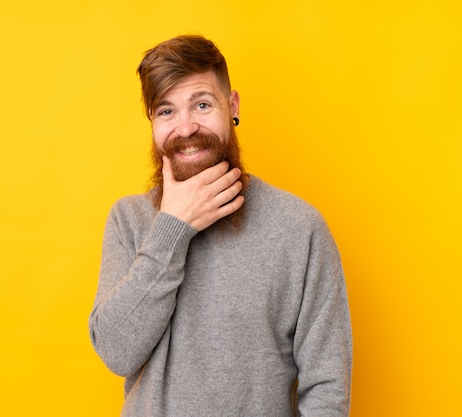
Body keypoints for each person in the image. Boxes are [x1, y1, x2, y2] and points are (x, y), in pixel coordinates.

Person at [89, 34, 352, 417]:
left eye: (201, 104)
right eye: (166, 111)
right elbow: (115, 351)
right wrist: (172, 228)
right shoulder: (129, 221)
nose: (185, 128)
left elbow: (328, 386)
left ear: (232, 106)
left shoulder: (299, 228)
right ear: (152, 123)